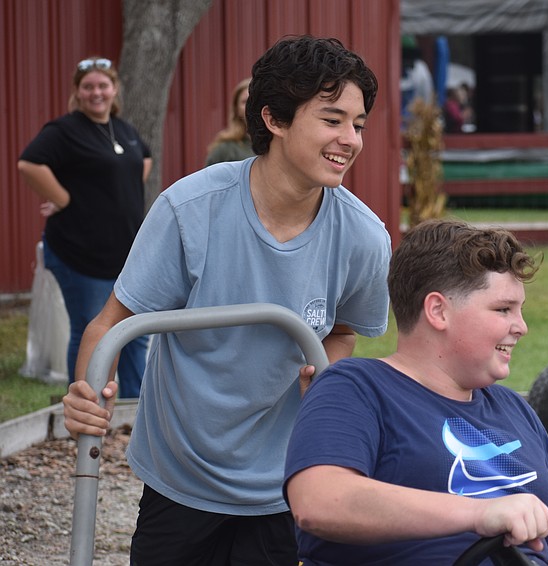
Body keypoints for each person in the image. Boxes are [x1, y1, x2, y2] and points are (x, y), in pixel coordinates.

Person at [62, 36, 391, 566]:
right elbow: (110, 325)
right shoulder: (190, 210)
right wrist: (86, 393)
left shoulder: (363, 237)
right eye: (332, 120)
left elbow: (344, 330)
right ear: (275, 120)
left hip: (283, 478)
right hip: (181, 473)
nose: (350, 139)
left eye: (358, 124)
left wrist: (326, 374)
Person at [285, 219, 548, 566]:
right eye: (503, 309)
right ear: (438, 310)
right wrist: (479, 514)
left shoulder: (514, 409)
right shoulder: (355, 387)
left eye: (520, 310)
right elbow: (320, 502)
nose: (522, 327)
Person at [17, 56, 151, 398]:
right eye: (88, 86)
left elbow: (144, 158)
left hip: (125, 253)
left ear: (114, 89)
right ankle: (85, 407)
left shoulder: (123, 129)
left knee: (136, 330)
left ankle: (132, 408)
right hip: (80, 254)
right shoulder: (64, 131)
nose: (97, 92)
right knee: (93, 327)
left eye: (103, 85)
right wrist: (62, 198)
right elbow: (29, 164)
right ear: (77, 92)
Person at [205, 77, 254, 166]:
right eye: (245, 101)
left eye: (254, 100)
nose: (250, 105)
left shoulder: (276, 145)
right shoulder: (225, 149)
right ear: (237, 110)